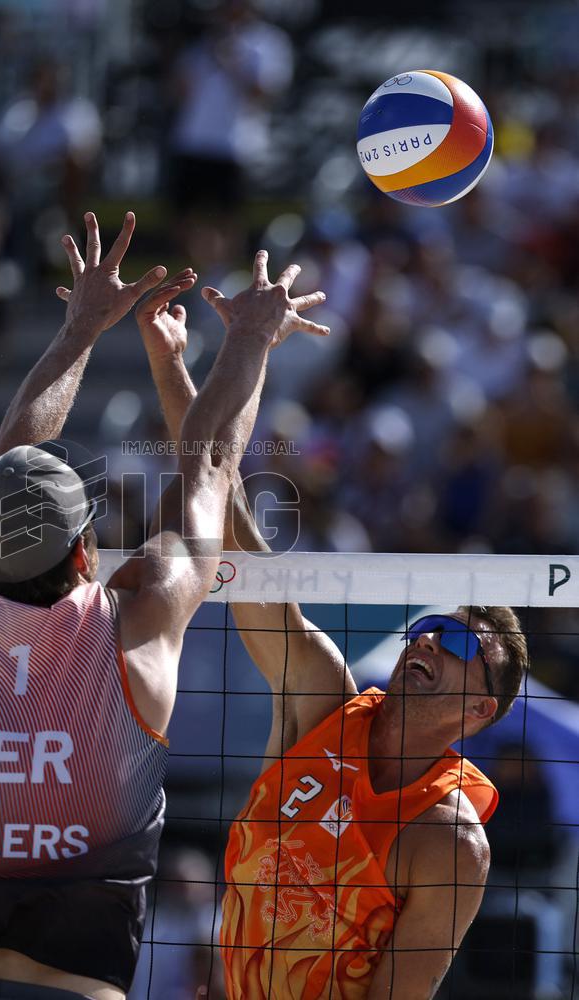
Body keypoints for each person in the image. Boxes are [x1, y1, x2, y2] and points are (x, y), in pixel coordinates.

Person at [0, 212, 304, 1000]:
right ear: (86, 553)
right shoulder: (135, 626)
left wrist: (78, 332)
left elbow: (6, 466)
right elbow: (206, 465)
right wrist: (248, 340)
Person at [135, 273, 530, 999]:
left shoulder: (449, 841)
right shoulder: (322, 700)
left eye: (465, 647)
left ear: (482, 712)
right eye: (436, 628)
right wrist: (173, 368)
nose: (434, 644)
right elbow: (225, 519)